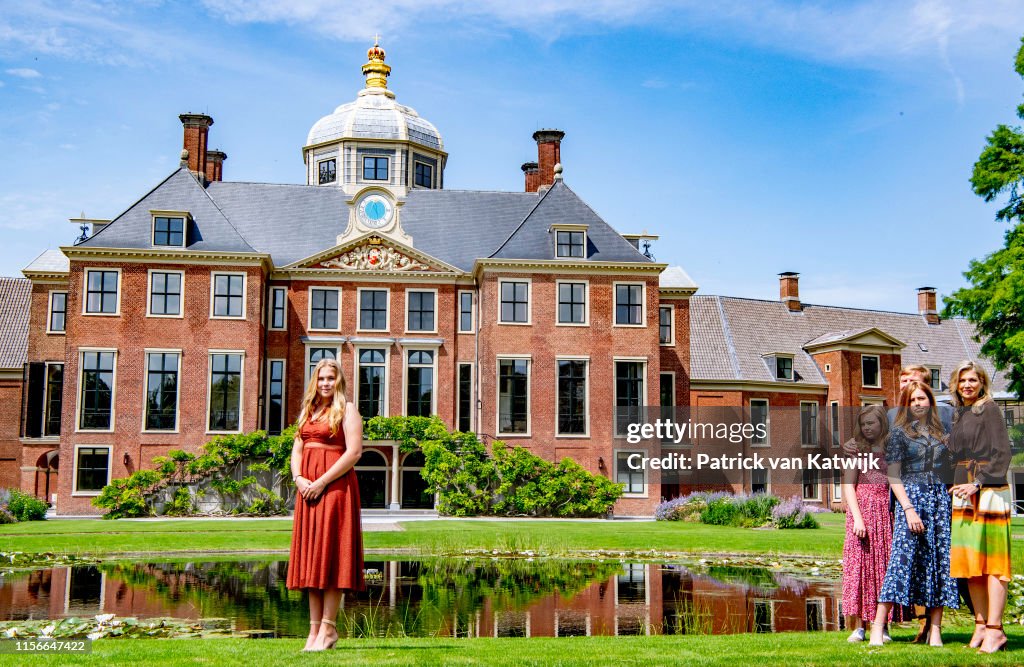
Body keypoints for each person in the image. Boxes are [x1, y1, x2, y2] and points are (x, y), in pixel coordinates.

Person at [869, 381, 958, 647]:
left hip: (939, 500)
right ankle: (877, 626)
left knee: (940, 564)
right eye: (912, 400)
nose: (918, 403)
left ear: (930, 401)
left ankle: (936, 631)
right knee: (899, 562)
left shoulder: (942, 432)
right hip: (911, 497)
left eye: (922, 398)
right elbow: (893, 476)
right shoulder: (898, 434)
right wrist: (908, 509)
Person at [286, 358, 365, 651]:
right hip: (308, 490)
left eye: (331, 378)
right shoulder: (308, 412)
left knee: (332, 557)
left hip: (335, 490)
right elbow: (298, 448)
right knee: (312, 558)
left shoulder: (347, 410)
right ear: (315, 382)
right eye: (321, 379)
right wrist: (299, 478)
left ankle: (329, 629)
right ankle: (314, 630)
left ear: (339, 381)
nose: (326, 383)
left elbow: (354, 453)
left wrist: (321, 482)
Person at [947, 360, 1012, 654]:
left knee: (993, 564)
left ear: (982, 383)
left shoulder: (990, 409)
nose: (968, 385)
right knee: (970, 566)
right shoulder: (959, 414)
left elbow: (1003, 453)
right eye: (963, 381)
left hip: (988, 491)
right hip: (962, 493)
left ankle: (996, 630)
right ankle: (980, 624)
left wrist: (978, 483)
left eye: (973, 380)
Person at [841, 405, 902, 642]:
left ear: (881, 425)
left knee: (882, 568)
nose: (867, 428)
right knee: (861, 569)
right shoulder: (857, 451)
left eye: (872, 423)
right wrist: (857, 517)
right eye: (864, 424)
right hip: (862, 511)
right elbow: (849, 486)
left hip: (884, 512)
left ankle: (882, 625)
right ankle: (859, 626)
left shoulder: (891, 450)